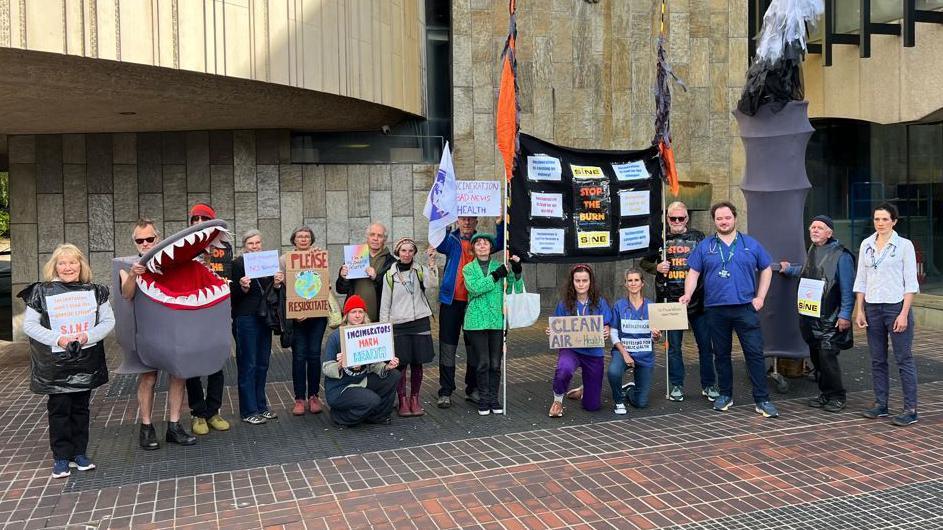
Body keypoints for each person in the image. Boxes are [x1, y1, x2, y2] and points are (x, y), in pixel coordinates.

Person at [19, 244, 114, 478]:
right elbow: (29, 325)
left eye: (73, 262)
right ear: (55, 266)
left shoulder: (95, 291)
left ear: (81, 265)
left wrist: (87, 336)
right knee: (59, 409)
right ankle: (61, 457)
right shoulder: (41, 292)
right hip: (56, 364)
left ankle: (79, 454)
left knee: (81, 407)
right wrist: (58, 339)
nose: (68, 267)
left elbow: (108, 322)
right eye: (62, 263)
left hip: (85, 360)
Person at [679, 201, 779, 418]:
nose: (723, 222)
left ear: (734, 218)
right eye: (719, 218)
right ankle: (725, 395)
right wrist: (688, 294)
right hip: (716, 309)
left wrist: (760, 297)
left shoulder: (750, 244)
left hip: (745, 308)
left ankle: (762, 400)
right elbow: (693, 273)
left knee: (754, 354)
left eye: (727, 218)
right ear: (714, 221)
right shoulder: (706, 246)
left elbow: (766, 268)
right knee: (721, 355)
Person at [119, 219, 197, 448]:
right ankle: (146, 427)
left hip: (173, 329)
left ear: (158, 238)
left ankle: (174, 426)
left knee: (178, 375)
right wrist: (133, 275)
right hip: (145, 332)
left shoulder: (170, 263)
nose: (145, 243)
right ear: (134, 242)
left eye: (149, 239)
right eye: (140, 240)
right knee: (148, 377)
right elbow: (127, 294)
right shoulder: (126, 265)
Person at [778, 214, 855, 413]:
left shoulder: (842, 255)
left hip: (830, 318)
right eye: (812, 227)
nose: (814, 230)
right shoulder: (813, 250)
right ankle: (825, 394)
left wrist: (845, 314)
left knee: (827, 358)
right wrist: (789, 270)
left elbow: (848, 288)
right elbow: (806, 272)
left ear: (829, 232)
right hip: (811, 317)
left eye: (819, 228)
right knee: (817, 357)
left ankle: (837, 396)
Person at [641, 201, 716, 402]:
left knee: (705, 346)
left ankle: (709, 385)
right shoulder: (659, 239)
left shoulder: (698, 238)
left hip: (698, 300)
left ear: (687, 218)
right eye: (672, 218)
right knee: (673, 348)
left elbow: (711, 261)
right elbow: (644, 262)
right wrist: (656, 268)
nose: (676, 222)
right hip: (670, 301)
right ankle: (676, 385)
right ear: (667, 219)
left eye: (680, 218)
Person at [853, 203, 920, 426]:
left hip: (895, 307)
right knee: (877, 359)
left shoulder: (903, 245)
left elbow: (911, 282)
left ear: (894, 221)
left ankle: (910, 409)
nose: (880, 223)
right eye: (876, 219)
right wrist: (859, 309)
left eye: (884, 219)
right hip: (872, 307)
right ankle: (881, 404)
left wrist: (903, 313)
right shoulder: (867, 244)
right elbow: (861, 279)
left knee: (903, 358)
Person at [427, 216, 504, 408]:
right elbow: (436, 238)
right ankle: (445, 391)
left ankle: (473, 389)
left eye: (471, 220)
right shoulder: (450, 240)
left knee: (475, 350)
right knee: (447, 347)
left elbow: (502, 242)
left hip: (475, 304)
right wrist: (443, 217)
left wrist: (500, 223)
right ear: (458, 221)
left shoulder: (481, 242)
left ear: (476, 222)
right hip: (451, 301)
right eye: (463, 219)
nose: (467, 223)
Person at [461, 234, 522, 415]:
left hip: (496, 320)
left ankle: (494, 399)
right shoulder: (468, 268)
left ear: (491, 247)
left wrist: (516, 271)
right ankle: (484, 399)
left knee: (496, 363)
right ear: (473, 248)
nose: (482, 246)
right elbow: (475, 288)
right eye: (478, 243)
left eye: (485, 243)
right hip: (476, 322)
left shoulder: (500, 266)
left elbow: (513, 288)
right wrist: (495, 277)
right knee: (483, 363)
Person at [184, 203, 231, 436]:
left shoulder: (225, 248)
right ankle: (197, 413)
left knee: (216, 364)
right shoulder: (181, 248)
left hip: (217, 312)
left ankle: (213, 411)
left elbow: (229, 274)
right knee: (192, 365)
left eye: (205, 218)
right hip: (191, 314)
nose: (199, 222)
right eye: (196, 218)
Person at [380, 237, 439, 417]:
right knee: (401, 365)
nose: (407, 254)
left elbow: (432, 284)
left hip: (420, 321)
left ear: (414, 253)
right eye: (403, 251)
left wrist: (431, 262)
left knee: (417, 363)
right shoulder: (389, 275)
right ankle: (403, 401)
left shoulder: (419, 270)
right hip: (398, 324)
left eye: (410, 251)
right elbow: (385, 304)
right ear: (398, 252)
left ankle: (415, 399)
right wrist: (384, 329)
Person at [322, 295, 402, 426]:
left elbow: (374, 364)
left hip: (361, 380)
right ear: (346, 315)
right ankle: (340, 417)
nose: (358, 315)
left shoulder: (368, 332)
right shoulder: (336, 337)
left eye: (360, 312)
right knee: (372, 400)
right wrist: (340, 365)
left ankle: (378, 416)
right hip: (341, 388)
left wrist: (387, 367)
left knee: (393, 375)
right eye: (353, 312)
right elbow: (326, 368)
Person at [231, 229, 284, 425]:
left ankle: (262, 406)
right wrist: (243, 287)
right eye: (251, 243)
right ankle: (248, 410)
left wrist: (277, 284)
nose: (255, 247)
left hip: (264, 318)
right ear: (245, 245)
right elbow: (232, 295)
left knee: (262, 363)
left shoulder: (268, 263)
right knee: (248, 364)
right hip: (245, 318)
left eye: (258, 243)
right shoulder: (237, 264)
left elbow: (272, 293)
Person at [548, 264, 612, 417]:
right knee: (564, 369)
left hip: (593, 352)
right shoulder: (564, 303)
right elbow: (557, 326)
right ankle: (557, 401)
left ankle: (584, 389)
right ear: (572, 282)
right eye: (578, 281)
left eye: (585, 280)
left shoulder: (600, 302)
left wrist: (607, 329)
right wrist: (552, 331)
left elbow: (607, 323)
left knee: (592, 406)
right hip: (571, 349)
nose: (581, 284)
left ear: (591, 282)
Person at [282, 226, 329, 416]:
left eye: (307, 237)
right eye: (300, 237)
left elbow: (324, 283)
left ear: (311, 240)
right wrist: (280, 280)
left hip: (317, 315)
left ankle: (314, 396)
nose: (303, 239)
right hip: (297, 316)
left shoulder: (319, 256)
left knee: (314, 355)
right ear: (293, 240)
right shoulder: (284, 260)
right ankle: (299, 398)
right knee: (299, 356)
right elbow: (283, 287)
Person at [608, 269, 661, 414]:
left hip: (644, 354)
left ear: (642, 283)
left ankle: (630, 389)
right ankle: (618, 401)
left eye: (636, 280)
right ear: (625, 284)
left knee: (641, 403)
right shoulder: (619, 305)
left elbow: (654, 337)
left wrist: (656, 336)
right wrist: (625, 354)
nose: (633, 283)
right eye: (629, 280)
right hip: (623, 351)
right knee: (613, 371)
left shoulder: (651, 306)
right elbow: (613, 332)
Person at [336, 222, 396, 322]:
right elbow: (341, 290)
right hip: (354, 319)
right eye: (372, 234)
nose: (375, 238)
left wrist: (376, 278)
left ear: (384, 239)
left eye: (379, 236)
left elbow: (394, 291)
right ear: (367, 237)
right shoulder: (354, 256)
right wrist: (343, 278)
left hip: (379, 318)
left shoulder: (391, 262)